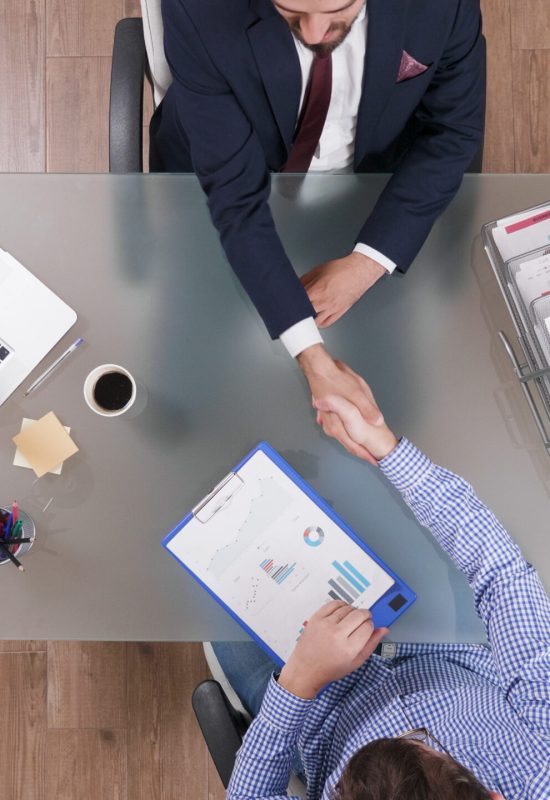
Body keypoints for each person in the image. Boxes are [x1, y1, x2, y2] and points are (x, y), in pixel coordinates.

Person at [150, 0, 486, 446]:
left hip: (372, 199)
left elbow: (453, 133)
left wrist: (368, 262)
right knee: (190, 406)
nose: (311, 35)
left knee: (403, 409)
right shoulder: (199, 9)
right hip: (223, 183)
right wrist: (310, 355)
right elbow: (235, 199)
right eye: (290, 10)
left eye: (337, 10)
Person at [211, 393, 550, 800]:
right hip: (436, 640)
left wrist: (300, 679)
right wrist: (386, 448)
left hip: (316, 703)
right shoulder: (540, 768)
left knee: (212, 531)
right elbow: (504, 577)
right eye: (424, 742)